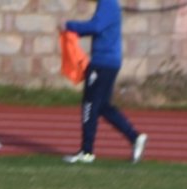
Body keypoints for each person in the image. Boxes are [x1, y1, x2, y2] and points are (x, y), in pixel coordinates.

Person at [62, 0, 148, 165]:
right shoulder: (108, 4)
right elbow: (100, 27)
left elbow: (96, 26)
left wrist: (69, 25)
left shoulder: (107, 3)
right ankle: (134, 137)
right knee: (102, 106)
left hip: (102, 63)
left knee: (89, 105)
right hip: (108, 62)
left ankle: (87, 151)